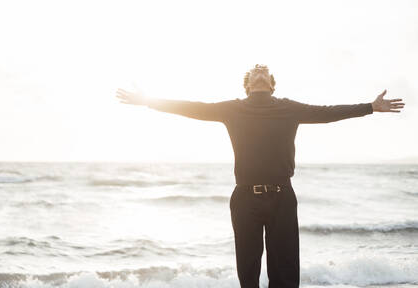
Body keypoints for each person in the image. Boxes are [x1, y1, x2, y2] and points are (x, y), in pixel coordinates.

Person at [115, 64, 405, 288]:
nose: (259, 72)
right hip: (244, 198)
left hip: (282, 195)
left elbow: (327, 113)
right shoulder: (233, 109)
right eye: (254, 72)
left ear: (271, 82)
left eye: (264, 71)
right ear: (247, 84)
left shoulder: (288, 107)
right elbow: (193, 108)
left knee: (286, 270)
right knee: (248, 268)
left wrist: (370, 107)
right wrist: (147, 101)